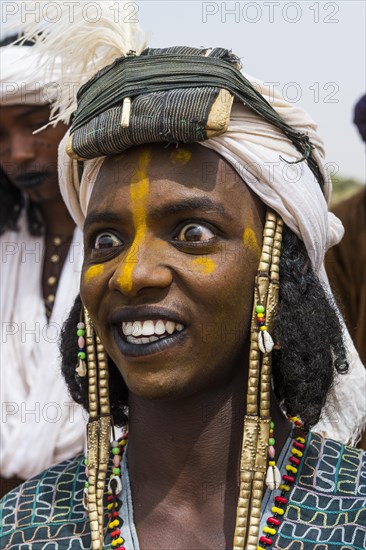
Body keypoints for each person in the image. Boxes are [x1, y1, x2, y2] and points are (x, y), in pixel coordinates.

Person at [0, 5, 365, 549]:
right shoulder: (24, 525)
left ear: (278, 263)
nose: (133, 273)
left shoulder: (350, 510)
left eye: (192, 232)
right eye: (105, 240)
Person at [0, 41, 86, 496]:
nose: (17, 154)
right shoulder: (6, 245)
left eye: (36, 125)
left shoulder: (129, 245)